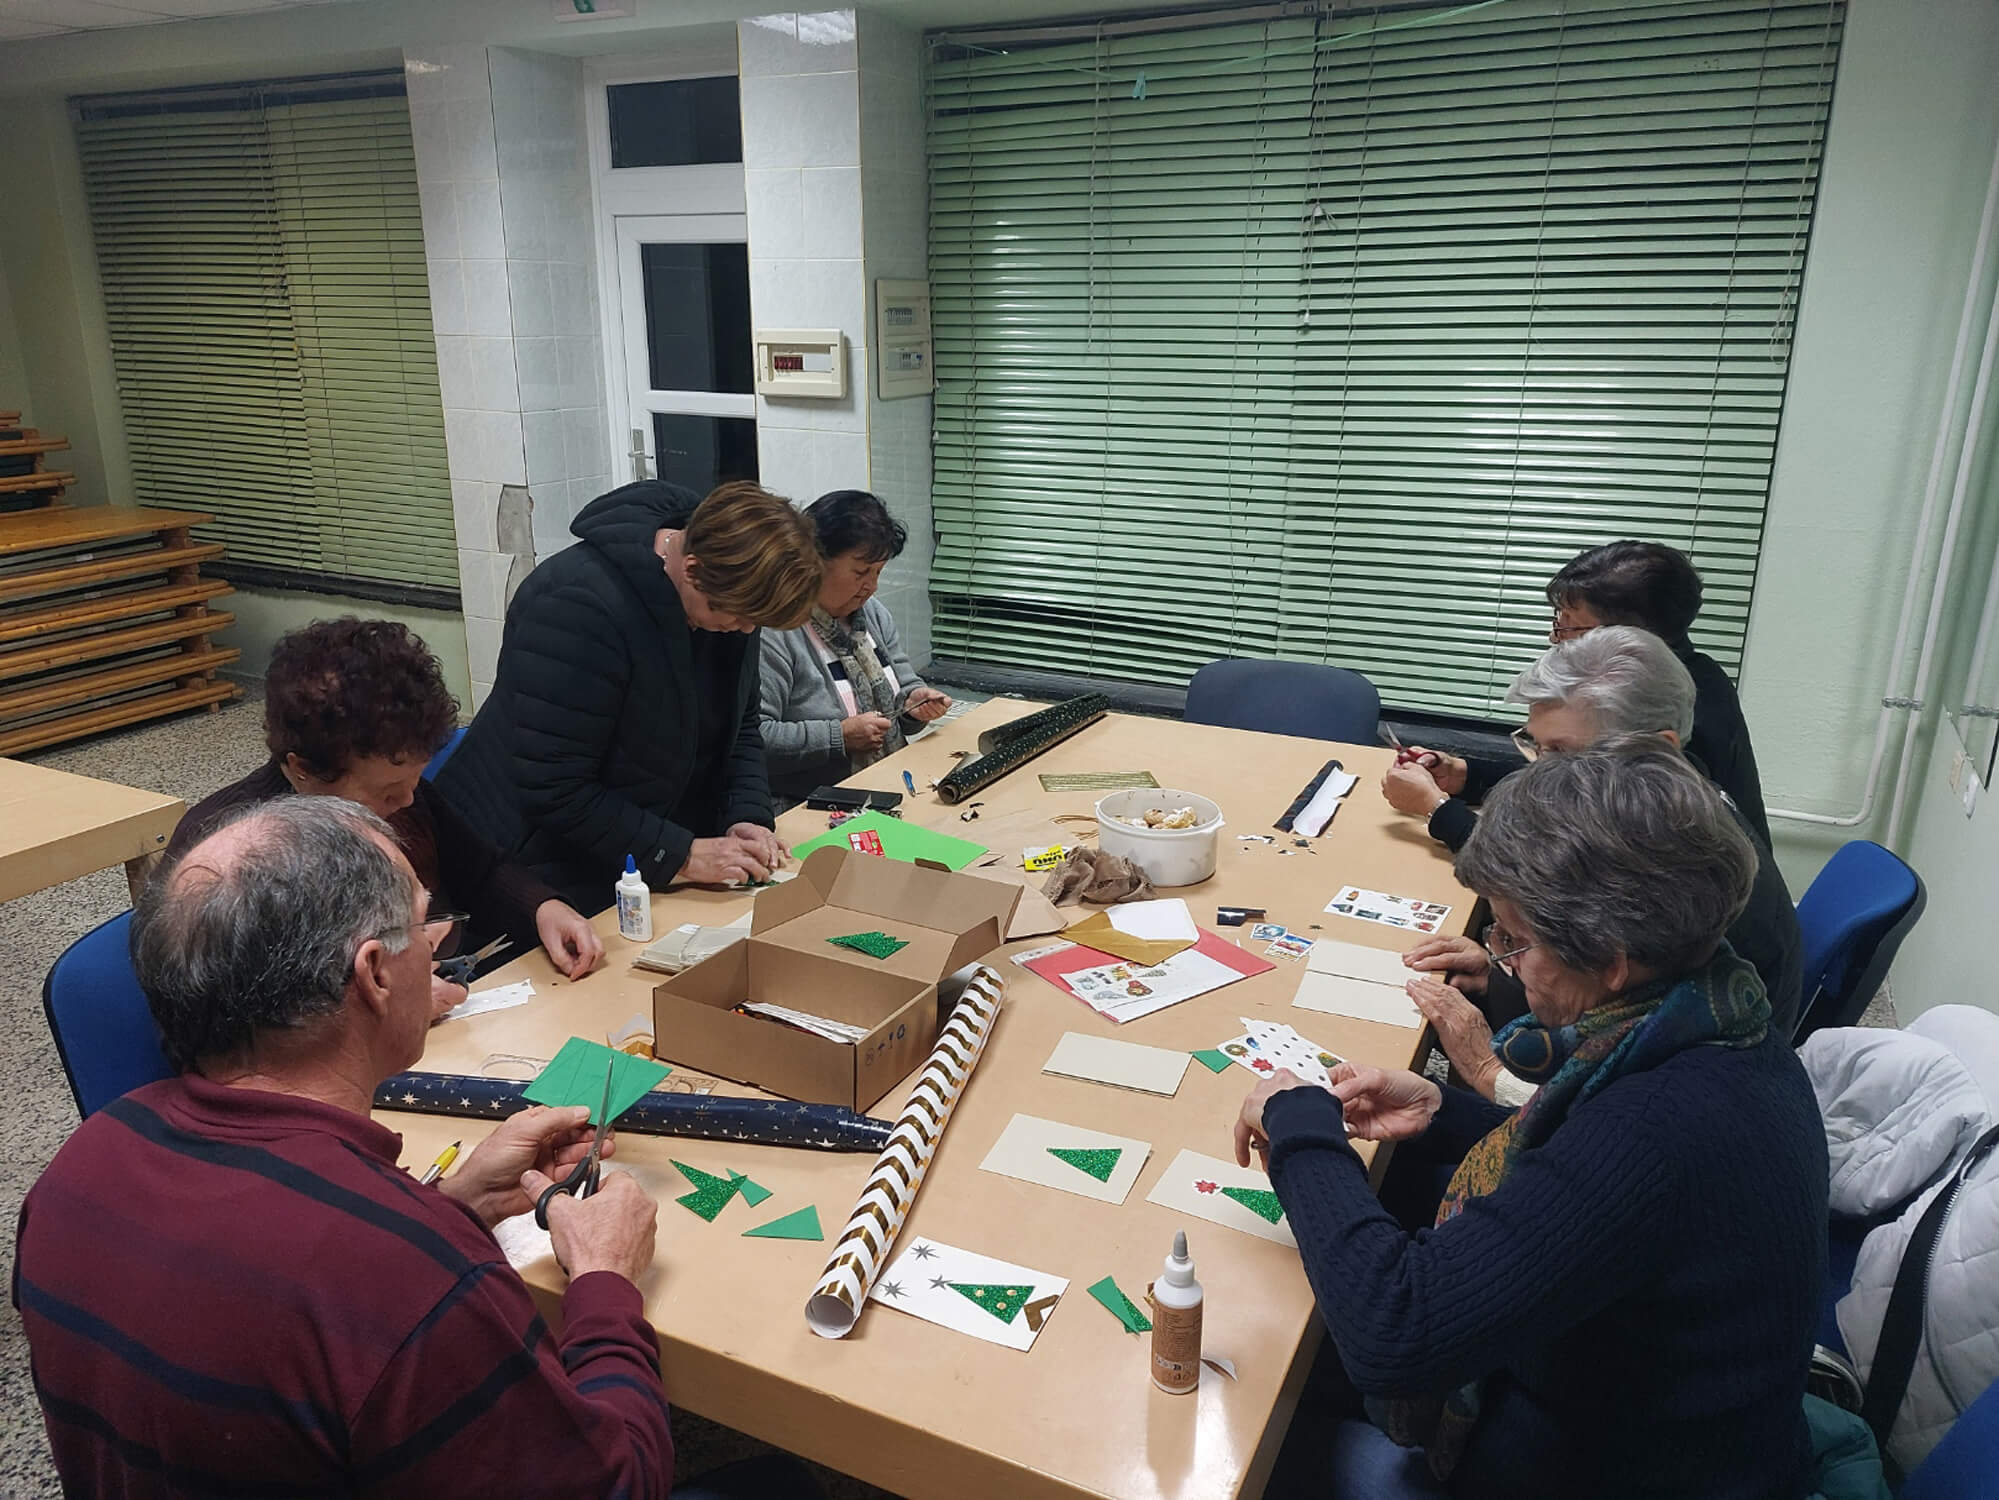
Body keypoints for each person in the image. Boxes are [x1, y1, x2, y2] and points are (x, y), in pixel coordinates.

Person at [17, 798, 680, 1494]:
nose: (436, 944)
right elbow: (616, 1484)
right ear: (375, 974)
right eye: (422, 925)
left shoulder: (78, 1168)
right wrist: (605, 1278)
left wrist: (456, 1204)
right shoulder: (412, 1284)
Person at [1238, 746, 1827, 1499]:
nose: (1502, 962)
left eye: (1513, 939)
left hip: (1611, 1471)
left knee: (1253, 1413)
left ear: (1610, 958)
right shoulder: (1720, 1012)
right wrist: (1444, 1110)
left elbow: (1396, 1332)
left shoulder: (1657, 1130)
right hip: (1660, 1408)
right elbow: (1577, 1159)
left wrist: (1299, 1126)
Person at [1384, 628, 1803, 1068]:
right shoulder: (1668, 802)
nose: (1538, 773)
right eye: (1536, 747)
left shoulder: (1671, 871)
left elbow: (1617, 1063)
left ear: (1657, 749)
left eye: (1562, 753)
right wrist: (1504, 974)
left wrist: (1483, 1067)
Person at [164, 617, 602, 1016]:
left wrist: (544, 908)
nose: (409, 800)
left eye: (415, 780)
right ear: (303, 770)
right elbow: (239, 1016)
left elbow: (481, 871)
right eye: (388, 792)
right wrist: (389, 1003)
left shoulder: (402, 793)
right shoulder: (224, 860)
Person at [435, 480, 823, 913]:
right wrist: (681, 855)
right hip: (534, 869)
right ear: (692, 569)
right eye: (739, 616)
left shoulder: (730, 596)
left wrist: (746, 815)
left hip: (643, 855)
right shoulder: (578, 606)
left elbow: (741, 724)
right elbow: (554, 787)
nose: (746, 629)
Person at [758, 490, 952, 803]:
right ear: (815, 561)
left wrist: (915, 703)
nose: (871, 586)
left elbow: (904, 689)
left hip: (888, 785)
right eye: (861, 573)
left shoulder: (872, 615)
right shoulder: (777, 629)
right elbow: (757, 736)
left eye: (878, 572)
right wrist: (840, 736)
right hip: (809, 802)